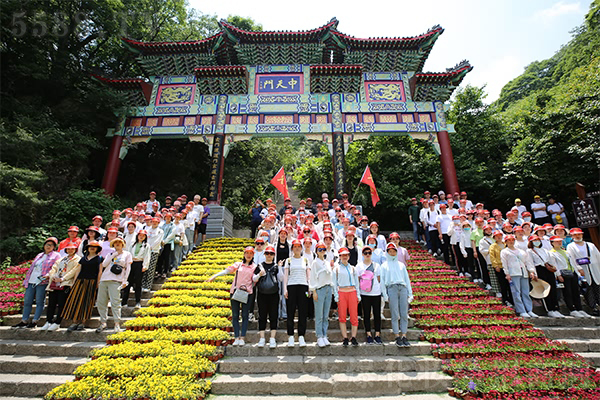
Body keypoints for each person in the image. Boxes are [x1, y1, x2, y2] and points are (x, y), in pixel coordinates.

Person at [207, 246, 256, 346]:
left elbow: (255, 279)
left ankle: (242, 337)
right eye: (247, 253)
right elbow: (227, 271)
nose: (249, 255)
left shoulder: (254, 267)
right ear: (244, 254)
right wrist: (214, 276)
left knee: (245, 316)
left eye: (251, 253)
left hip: (248, 293)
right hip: (235, 292)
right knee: (235, 315)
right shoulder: (238, 265)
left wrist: (259, 275)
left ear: (253, 255)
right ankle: (236, 337)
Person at [12, 238, 61, 329]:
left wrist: (48, 275)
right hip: (32, 280)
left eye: (51, 245)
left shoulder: (56, 255)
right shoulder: (40, 255)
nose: (48, 246)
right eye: (47, 244)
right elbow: (32, 268)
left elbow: (56, 268)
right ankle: (24, 320)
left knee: (39, 301)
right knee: (27, 301)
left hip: (43, 281)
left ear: (54, 247)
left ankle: (35, 321)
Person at [60, 241, 103, 331]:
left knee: (87, 302)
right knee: (75, 300)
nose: (92, 248)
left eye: (94, 247)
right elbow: (78, 270)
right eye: (90, 246)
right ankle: (74, 321)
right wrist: (74, 282)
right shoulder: (83, 259)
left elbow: (100, 271)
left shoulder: (99, 258)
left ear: (97, 249)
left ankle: (83, 322)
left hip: (91, 282)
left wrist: (98, 283)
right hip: (80, 281)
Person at [41, 243, 81, 331]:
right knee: (51, 303)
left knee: (61, 304)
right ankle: (48, 321)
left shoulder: (77, 259)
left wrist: (63, 278)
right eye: (68, 249)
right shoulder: (62, 258)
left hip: (65, 283)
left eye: (72, 249)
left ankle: (57, 322)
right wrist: (52, 276)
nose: (70, 250)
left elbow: (74, 271)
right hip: (55, 283)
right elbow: (54, 268)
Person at [549, 236, 591, 318]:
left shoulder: (566, 252)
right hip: (563, 273)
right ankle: (572, 309)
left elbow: (573, 262)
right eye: (556, 241)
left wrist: (577, 272)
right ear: (552, 243)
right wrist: (558, 275)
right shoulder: (551, 253)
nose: (559, 243)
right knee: (567, 292)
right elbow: (554, 265)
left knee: (576, 291)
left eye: (560, 241)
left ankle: (579, 309)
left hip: (572, 272)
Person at [380, 242, 413, 347]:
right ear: (387, 252)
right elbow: (382, 281)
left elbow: (407, 280)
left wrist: (410, 293)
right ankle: (397, 336)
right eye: (390, 251)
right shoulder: (384, 265)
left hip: (402, 288)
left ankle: (404, 335)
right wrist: (385, 295)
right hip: (392, 288)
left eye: (394, 251)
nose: (392, 253)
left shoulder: (401, 265)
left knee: (404, 313)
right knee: (395, 314)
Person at [96, 237, 132, 333]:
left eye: (119, 243)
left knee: (115, 302)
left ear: (123, 244)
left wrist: (125, 280)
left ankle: (117, 323)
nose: (117, 244)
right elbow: (104, 264)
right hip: (104, 279)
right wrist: (113, 255)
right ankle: (103, 322)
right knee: (101, 302)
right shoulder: (110, 254)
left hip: (116, 280)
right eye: (115, 243)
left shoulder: (127, 254)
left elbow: (128, 268)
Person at [500, 235, 538, 318]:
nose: (511, 242)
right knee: (516, 292)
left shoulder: (521, 251)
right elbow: (504, 263)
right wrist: (507, 273)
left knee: (526, 292)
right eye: (509, 240)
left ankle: (529, 310)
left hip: (523, 272)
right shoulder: (504, 251)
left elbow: (528, 262)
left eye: (512, 240)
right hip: (513, 273)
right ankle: (521, 310)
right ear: (506, 242)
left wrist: (531, 271)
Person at [527, 235, 563, 318]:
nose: (537, 241)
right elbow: (530, 263)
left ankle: (555, 308)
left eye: (538, 240)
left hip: (548, 269)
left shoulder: (545, 250)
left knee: (552, 288)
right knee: (544, 290)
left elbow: (552, 262)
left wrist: (556, 273)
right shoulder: (530, 251)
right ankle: (549, 309)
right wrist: (533, 272)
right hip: (539, 269)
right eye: (534, 240)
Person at [283, 240, 311, 347]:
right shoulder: (288, 261)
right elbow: (286, 276)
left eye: (299, 246)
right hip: (291, 286)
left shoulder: (305, 260)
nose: (297, 248)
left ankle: (301, 336)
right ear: (292, 249)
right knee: (290, 312)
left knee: (303, 312)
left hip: (303, 286)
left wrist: (309, 287)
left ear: (302, 248)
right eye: (295, 246)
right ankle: (290, 336)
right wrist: (285, 289)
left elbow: (308, 275)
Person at [567, 228, 600, 315]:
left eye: (579, 234)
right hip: (583, 269)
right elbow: (572, 259)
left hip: (594, 268)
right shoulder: (571, 246)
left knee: (597, 286)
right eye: (575, 235)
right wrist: (578, 269)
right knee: (588, 289)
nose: (577, 236)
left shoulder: (590, 245)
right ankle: (593, 308)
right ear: (572, 236)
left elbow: (598, 256)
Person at [333, 247, 360, 347]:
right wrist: (336, 295)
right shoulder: (336, 269)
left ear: (349, 256)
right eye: (342, 255)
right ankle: (345, 337)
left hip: (352, 292)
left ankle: (353, 336)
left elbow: (356, 283)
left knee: (354, 316)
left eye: (346, 255)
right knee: (342, 316)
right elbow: (334, 283)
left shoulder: (353, 268)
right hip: (342, 293)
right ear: (339, 257)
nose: (344, 257)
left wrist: (358, 295)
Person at [253, 246, 279, 348]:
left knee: (274, 315)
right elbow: (254, 279)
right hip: (262, 294)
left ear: (274, 255)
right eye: (267, 253)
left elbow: (280, 278)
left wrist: (280, 268)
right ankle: (262, 338)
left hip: (274, 293)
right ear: (264, 255)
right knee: (262, 315)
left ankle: (272, 338)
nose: (269, 255)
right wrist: (259, 274)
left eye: (271, 254)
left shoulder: (276, 266)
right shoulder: (259, 266)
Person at [310, 242, 334, 348]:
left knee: (325, 315)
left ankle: (324, 335)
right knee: (319, 315)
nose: (322, 251)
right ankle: (319, 336)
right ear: (316, 251)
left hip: (328, 288)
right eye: (320, 249)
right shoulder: (315, 263)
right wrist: (314, 291)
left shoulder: (327, 262)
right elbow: (312, 278)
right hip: (319, 289)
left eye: (323, 249)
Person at [357, 246, 382, 345]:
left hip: (376, 292)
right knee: (366, 314)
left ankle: (377, 334)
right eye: (365, 253)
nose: (367, 255)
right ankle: (368, 334)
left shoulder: (377, 266)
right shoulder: (359, 266)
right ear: (362, 254)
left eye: (369, 253)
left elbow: (379, 279)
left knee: (377, 314)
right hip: (364, 293)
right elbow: (358, 280)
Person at [122, 230, 151, 309]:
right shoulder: (132, 244)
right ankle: (124, 302)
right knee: (128, 282)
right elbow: (128, 253)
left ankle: (138, 301)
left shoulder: (146, 245)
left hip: (139, 263)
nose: (141, 237)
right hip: (131, 263)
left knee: (138, 283)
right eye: (140, 235)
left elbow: (147, 256)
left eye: (143, 236)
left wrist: (145, 266)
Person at [143, 217, 163, 291]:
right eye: (153, 222)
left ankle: (148, 286)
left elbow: (158, 241)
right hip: (145, 250)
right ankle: (143, 284)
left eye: (156, 222)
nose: (154, 223)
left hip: (154, 251)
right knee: (145, 267)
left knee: (151, 268)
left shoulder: (160, 231)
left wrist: (151, 247)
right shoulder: (147, 230)